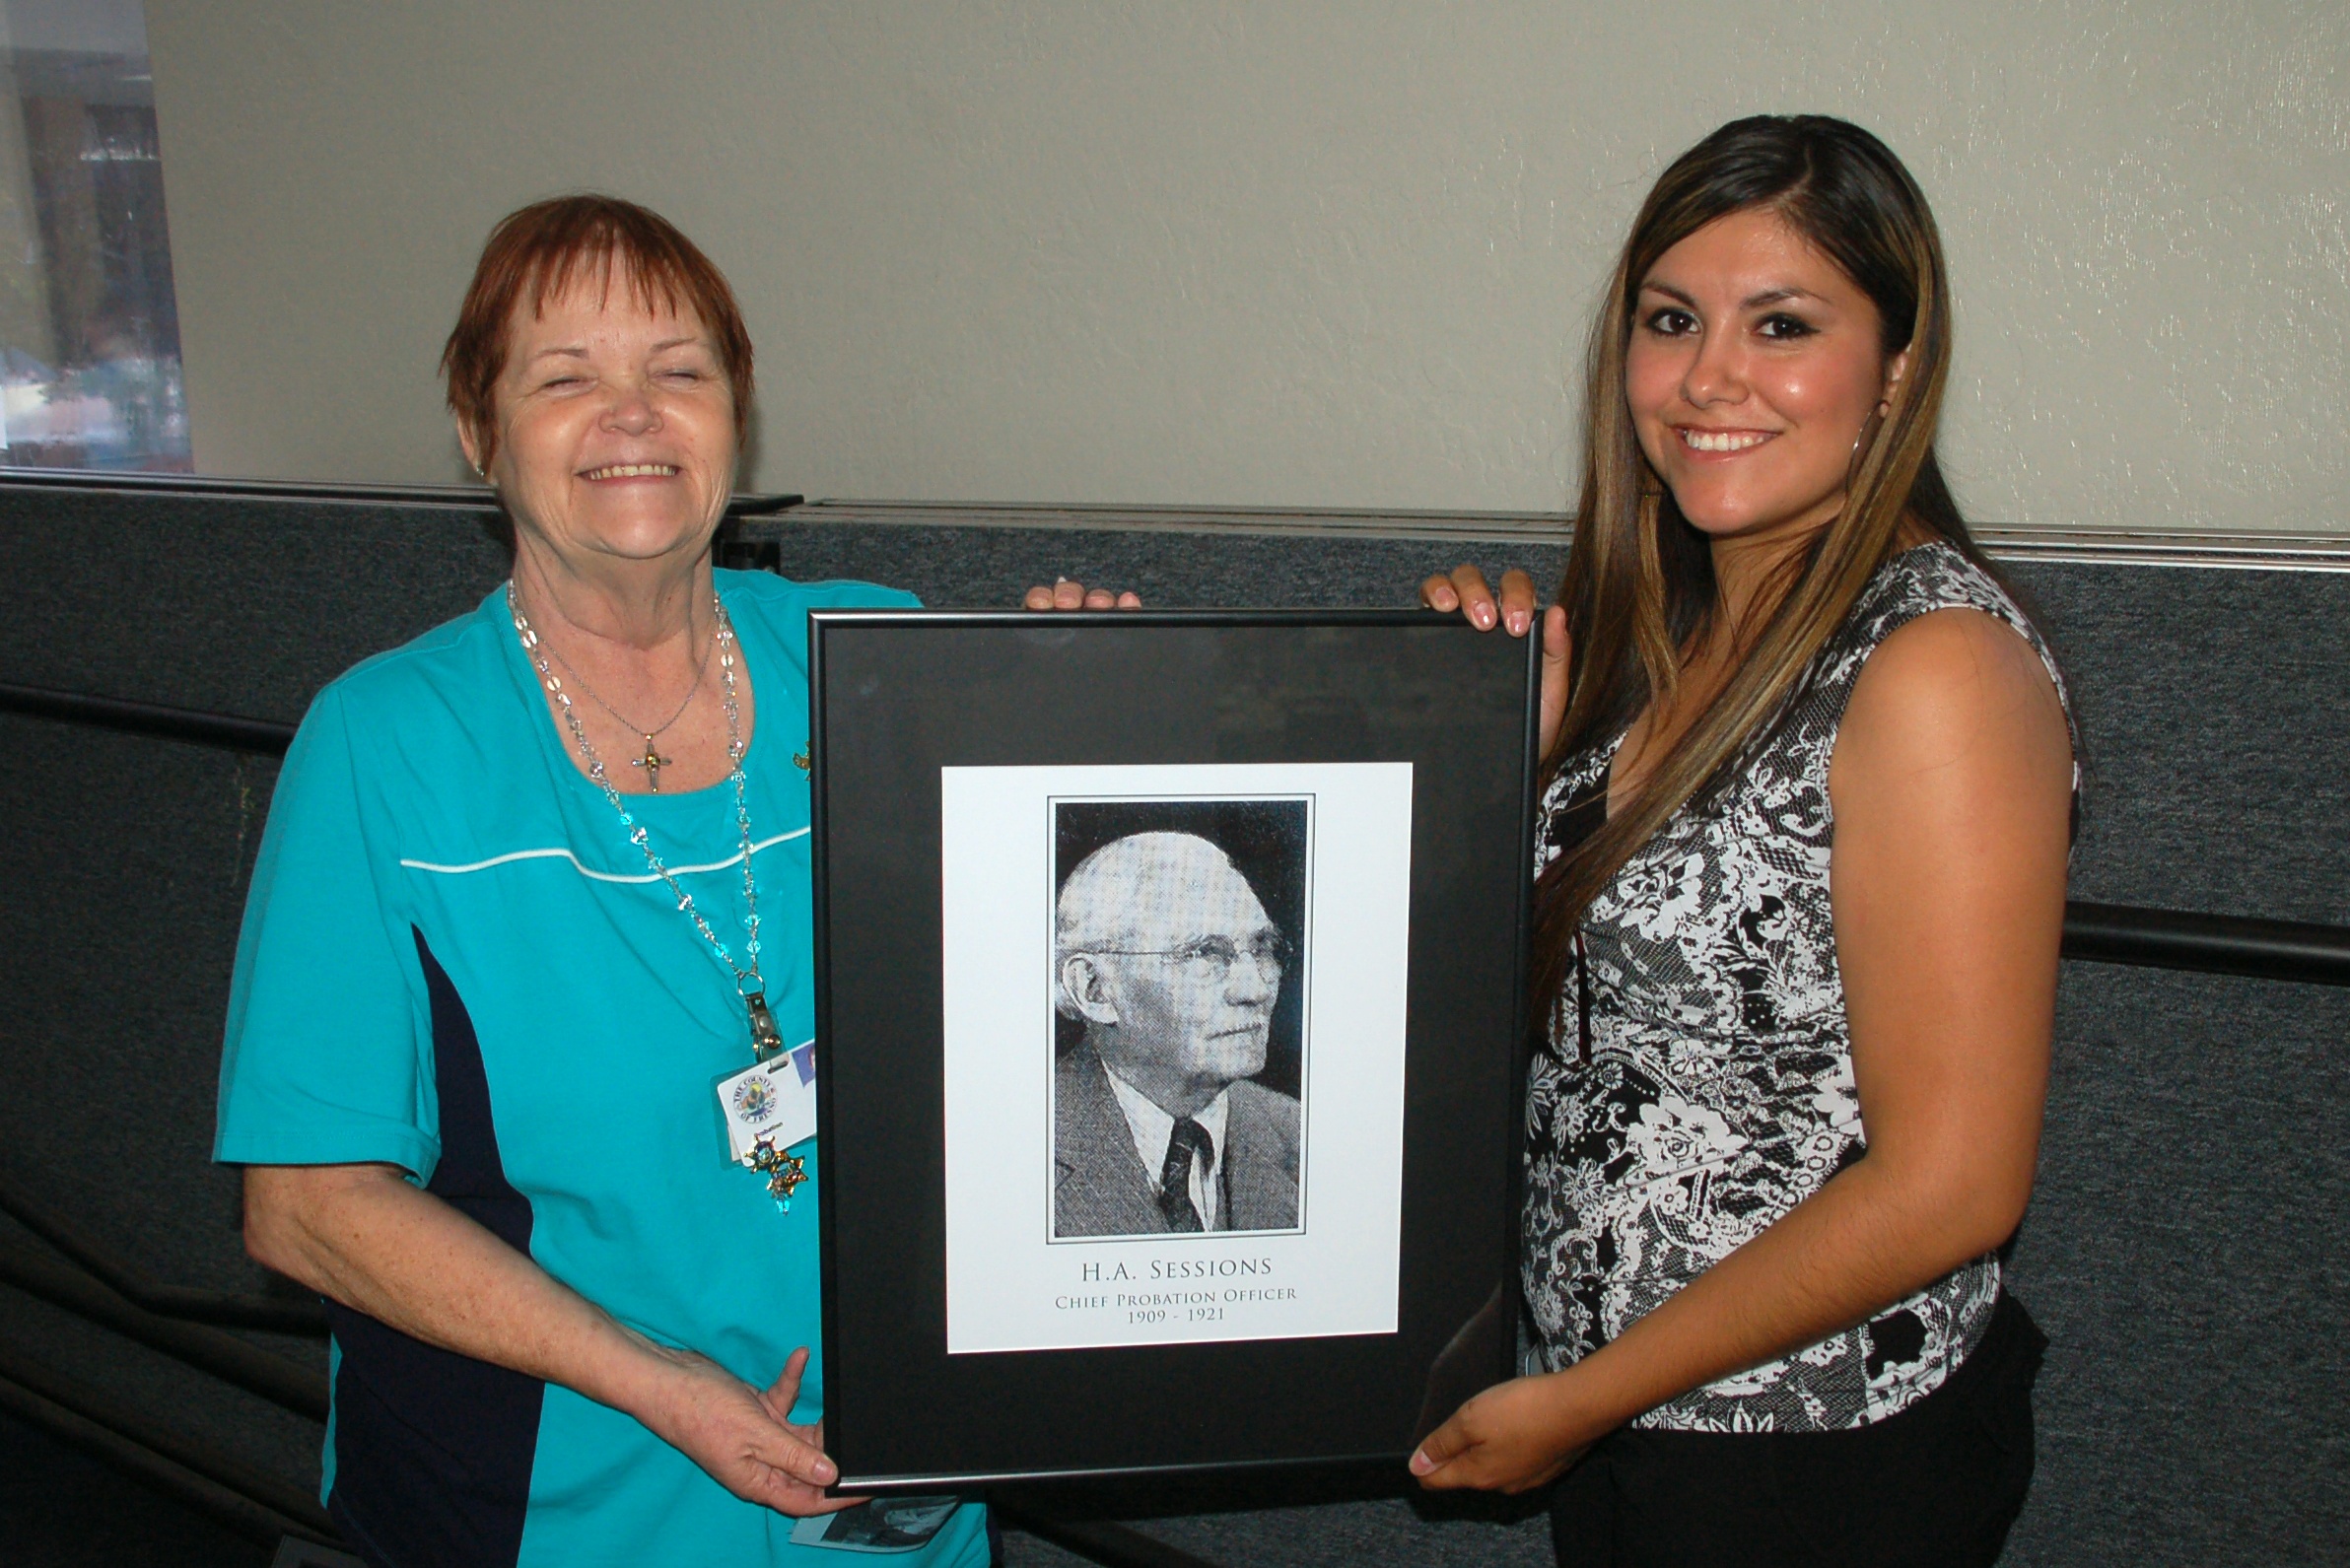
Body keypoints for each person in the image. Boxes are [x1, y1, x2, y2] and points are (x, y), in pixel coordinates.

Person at [213, 195, 990, 1568]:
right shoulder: (388, 745)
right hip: (555, 1497)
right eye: (564, 378)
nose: (632, 413)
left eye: (678, 370)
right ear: (479, 431)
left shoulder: (885, 661)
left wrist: (1092, 714)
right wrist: (658, 1381)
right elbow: (307, 1204)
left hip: (897, 1496)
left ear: (735, 417)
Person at [1410, 116, 2077, 1566]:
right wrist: (1486, 756)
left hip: (1807, 1453)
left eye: (1782, 324)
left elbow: (1953, 1181)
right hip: (1629, 1418)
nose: (1710, 377)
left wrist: (1582, 1400)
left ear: (1896, 365)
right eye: (1671, 321)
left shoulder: (1932, 665)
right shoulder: (1669, 627)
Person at [1051, 831, 1301, 1237]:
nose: (1255, 989)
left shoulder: (1297, 1132)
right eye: (1205, 953)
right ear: (1094, 989)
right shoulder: (1020, 1145)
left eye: (1262, 949)